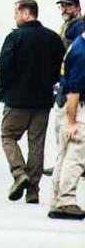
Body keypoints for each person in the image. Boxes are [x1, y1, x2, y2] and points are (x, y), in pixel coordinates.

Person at [0, 0, 64, 204]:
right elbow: (60, 67)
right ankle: (33, 191)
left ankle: (19, 173)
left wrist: (3, 90)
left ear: (26, 14)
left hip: (16, 100)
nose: (15, 17)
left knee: (8, 136)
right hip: (42, 101)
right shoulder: (52, 39)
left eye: (16, 13)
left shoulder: (15, 38)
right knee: (36, 145)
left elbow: (5, 66)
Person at [44, 0, 85, 177]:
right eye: (62, 5)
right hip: (65, 80)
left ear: (78, 7)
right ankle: (63, 162)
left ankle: (70, 164)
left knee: (68, 125)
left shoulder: (78, 26)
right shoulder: (68, 25)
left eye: (68, 5)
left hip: (73, 82)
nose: (64, 9)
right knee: (62, 126)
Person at [49, 31, 85, 219]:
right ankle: (67, 200)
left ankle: (56, 199)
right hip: (75, 108)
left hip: (65, 105)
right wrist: (72, 123)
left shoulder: (78, 44)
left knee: (63, 155)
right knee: (76, 154)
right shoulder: (82, 53)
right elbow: (75, 91)